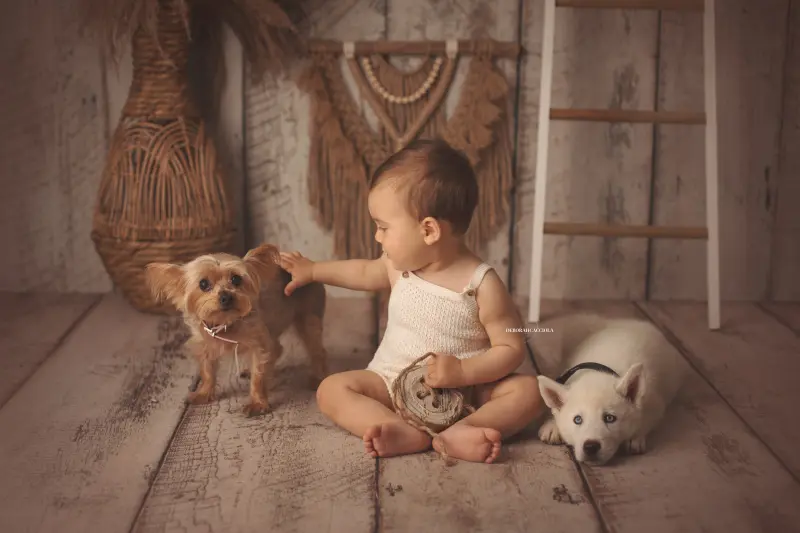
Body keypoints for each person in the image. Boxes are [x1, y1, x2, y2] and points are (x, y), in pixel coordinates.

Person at [279, 138, 544, 463]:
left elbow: (511, 348)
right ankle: (395, 427)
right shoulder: (397, 266)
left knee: (530, 391)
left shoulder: (481, 285)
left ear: (429, 230)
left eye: (383, 228)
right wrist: (314, 270)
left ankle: (465, 428)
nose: (377, 237)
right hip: (390, 381)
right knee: (331, 389)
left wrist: (463, 372)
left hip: (466, 394)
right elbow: (362, 272)